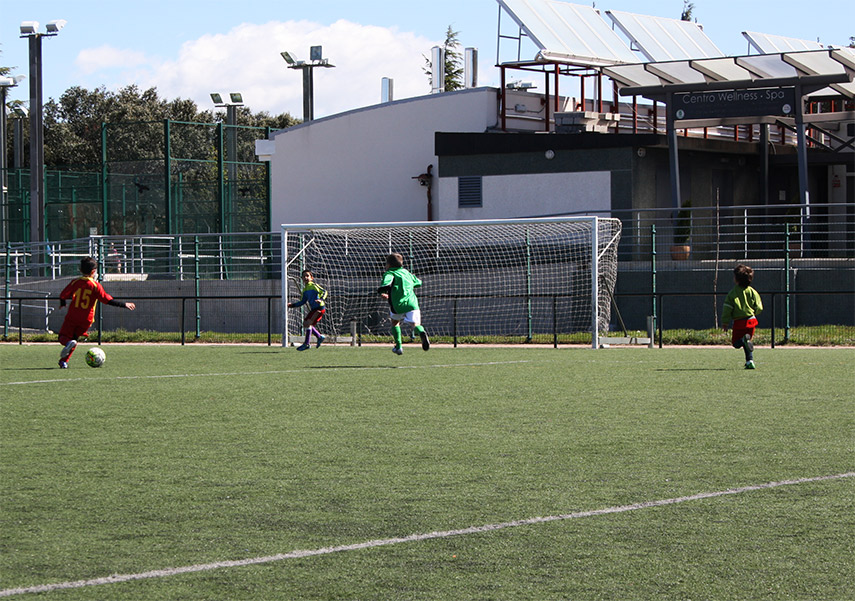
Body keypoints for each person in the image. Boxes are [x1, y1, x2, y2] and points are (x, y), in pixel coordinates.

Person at [57, 256, 136, 368]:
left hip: (73, 316)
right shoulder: (95, 286)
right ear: (93, 271)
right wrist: (124, 304)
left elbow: (63, 294)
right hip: (86, 319)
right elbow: (107, 299)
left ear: (80, 270)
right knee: (74, 339)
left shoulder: (75, 282)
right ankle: (63, 361)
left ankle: (67, 346)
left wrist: (62, 303)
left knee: (63, 337)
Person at [377, 253, 429, 355]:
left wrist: (382, 292)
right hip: (412, 303)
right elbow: (419, 282)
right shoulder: (406, 272)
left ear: (389, 265)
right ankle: (421, 332)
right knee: (415, 325)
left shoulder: (389, 273)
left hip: (398, 304)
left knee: (395, 322)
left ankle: (398, 346)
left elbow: (386, 284)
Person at [722, 264, 763, 369]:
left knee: (736, 343)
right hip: (752, 321)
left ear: (736, 279)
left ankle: (744, 342)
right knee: (747, 342)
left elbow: (727, 309)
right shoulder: (753, 292)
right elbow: (759, 307)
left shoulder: (732, 293)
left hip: (739, 322)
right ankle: (750, 361)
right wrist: (754, 313)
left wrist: (725, 322)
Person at [287, 269, 327, 351]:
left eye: (307, 276)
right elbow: (302, 302)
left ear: (311, 277)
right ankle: (319, 337)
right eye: (304, 276)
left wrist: (321, 299)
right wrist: (292, 305)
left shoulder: (314, 286)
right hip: (313, 309)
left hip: (319, 308)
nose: (305, 277)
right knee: (306, 323)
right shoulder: (304, 290)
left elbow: (324, 291)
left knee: (308, 323)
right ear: (301, 278)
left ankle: (307, 344)